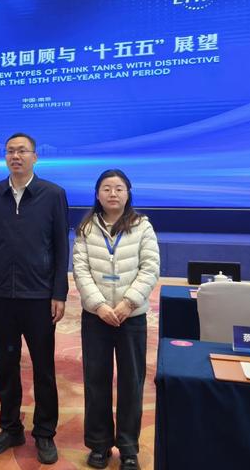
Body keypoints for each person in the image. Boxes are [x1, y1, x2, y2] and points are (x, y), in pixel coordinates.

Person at [0, 132, 69, 465]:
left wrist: (58, 292)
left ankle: (44, 432)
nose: (15, 156)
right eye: (10, 151)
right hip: (2, 296)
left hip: (39, 297)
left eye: (22, 151)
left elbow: (61, 247)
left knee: (44, 368)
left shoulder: (53, 194)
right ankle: (10, 427)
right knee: (6, 366)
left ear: (35, 156)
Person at [72, 169, 160, 470]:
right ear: (97, 194)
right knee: (95, 381)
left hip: (130, 318)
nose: (113, 193)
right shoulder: (86, 228)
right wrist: (99, 305)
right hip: (96, 318)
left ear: (128, 193)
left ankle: (128, 448)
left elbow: (150, 268)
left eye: (119, 188)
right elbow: (80, 270)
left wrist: (128, 303)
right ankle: (99, 445)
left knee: (131, 383)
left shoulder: (142, 226)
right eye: (106, 188)